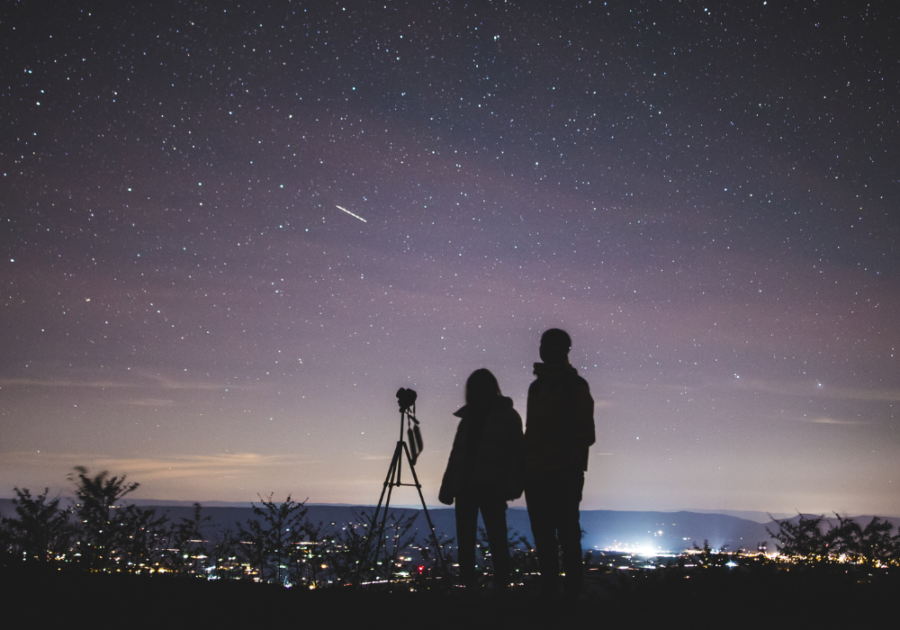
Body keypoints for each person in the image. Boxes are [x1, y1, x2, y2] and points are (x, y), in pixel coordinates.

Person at [524, 328, 595, 599]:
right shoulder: (537, 386)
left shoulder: (575, 386)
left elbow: (585, 431)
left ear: (566, 350)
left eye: (553, 345)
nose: (546, 349)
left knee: (566, 536)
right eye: (544, 344)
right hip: (536, 472)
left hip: (563, 472)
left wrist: (571, 464)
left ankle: (572, 597)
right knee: (543, 538)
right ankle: (551, 596)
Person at [439, 368, 524, 589]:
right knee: (466, 541)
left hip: (491, 487)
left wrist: (513, 485)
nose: (480, 391)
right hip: (466, 487)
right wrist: (448, 486)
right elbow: (456, 454)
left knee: (497, 540)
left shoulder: (507, 416)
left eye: (484, 386)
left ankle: (501, 588)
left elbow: (516, 453)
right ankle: (470, 587)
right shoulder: (468, 419)